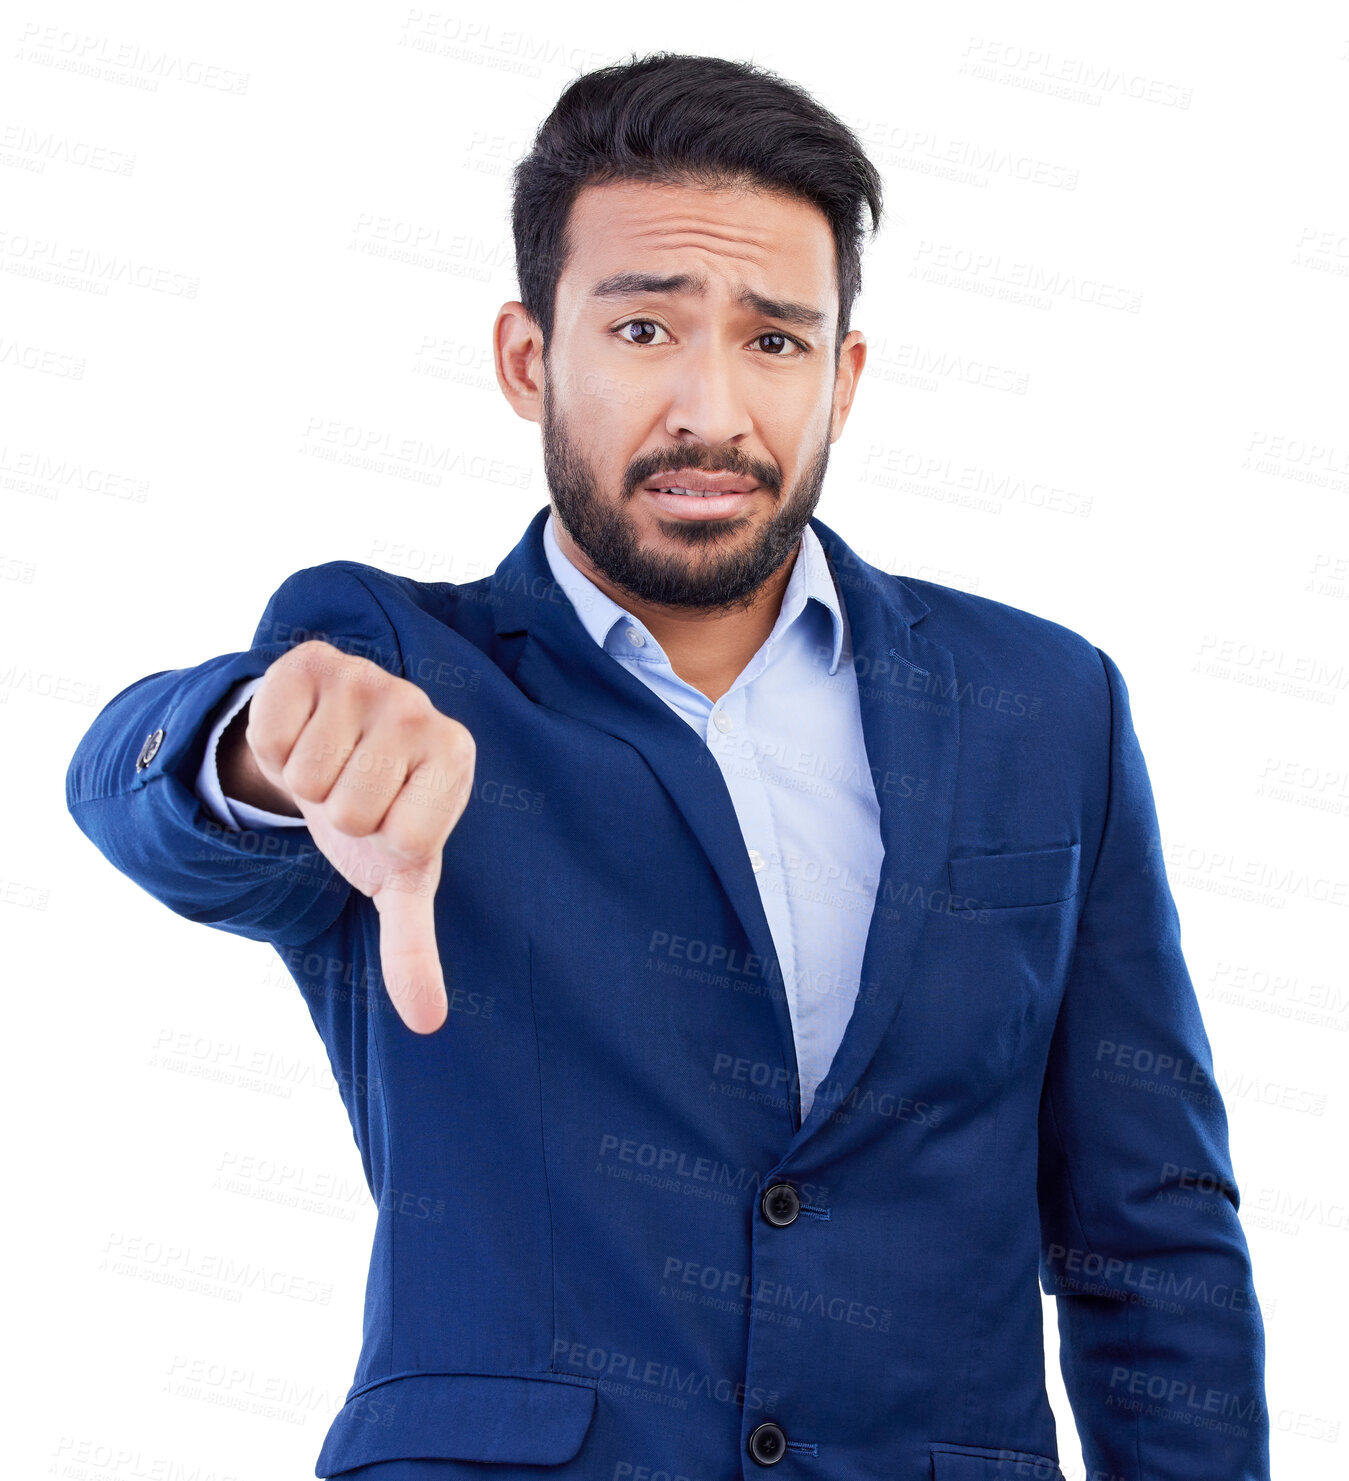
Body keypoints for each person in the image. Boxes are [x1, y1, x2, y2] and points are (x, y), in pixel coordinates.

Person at [66, 50, 1269, 1481]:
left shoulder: (1041, 703)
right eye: (643, 332)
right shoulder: (396, 661)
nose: (710, 408)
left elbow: (1152, 1225)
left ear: (845, 374)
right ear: (529, 356)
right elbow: (144, 797)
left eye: (773, 341)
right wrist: (256, 747)